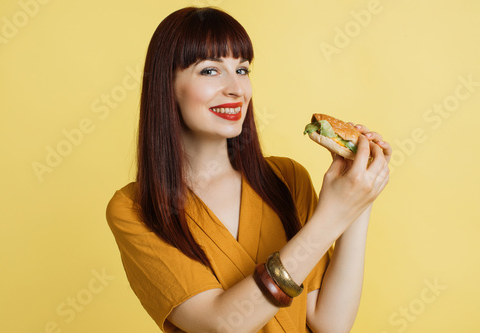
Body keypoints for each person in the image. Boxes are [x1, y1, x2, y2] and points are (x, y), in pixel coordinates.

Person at [106, 6, 392, 333]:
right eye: (210, 71)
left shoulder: (286, 178)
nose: (236, 89)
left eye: (242, 70)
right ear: (166, 85)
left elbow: (330, 323)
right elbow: (222, 325)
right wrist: (333, 215)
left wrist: (360, 197)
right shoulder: (134, 208)